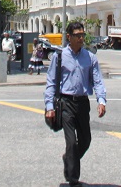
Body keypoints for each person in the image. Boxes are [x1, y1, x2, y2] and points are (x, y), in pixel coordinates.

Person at [44, 21, 107, 187]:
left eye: (82, 35)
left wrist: (101, 100)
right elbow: (51, 82)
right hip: (66, 103)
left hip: (82, 103)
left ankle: (69, 158)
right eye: (77, 35)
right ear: (69, 37)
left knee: (85, 141)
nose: (81, 38)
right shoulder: (59, 57)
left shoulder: (90, 57)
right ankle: (73, 179)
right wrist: (49, 107)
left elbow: (98, 81)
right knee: (71, 142)